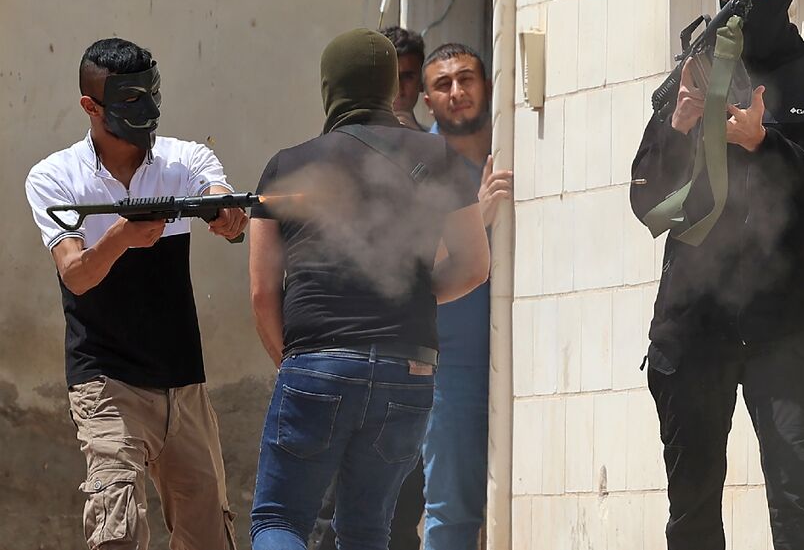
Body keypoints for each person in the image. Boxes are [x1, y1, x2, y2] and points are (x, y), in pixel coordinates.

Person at [629, 0, 804, 550]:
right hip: (693, 327)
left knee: (799, 522)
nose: (738, 2)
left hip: (787, 330)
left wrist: (768, 143)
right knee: (693, 522)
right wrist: (679, 128)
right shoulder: (697, 72)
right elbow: (645, 199)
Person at [247, 28, 490, 550]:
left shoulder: (286, 167)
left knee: (278, 521)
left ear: (329, 87)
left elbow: (263, 293)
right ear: (387, 87)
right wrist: (416, 298)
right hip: (411, 369)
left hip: (316, 363)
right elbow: (473, 266)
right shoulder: (440, 157)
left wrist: (295, 364)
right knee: (366, 531)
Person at [24, 38, 247, 550]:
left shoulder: (184, 158)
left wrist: (225, 213)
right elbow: (76, 276)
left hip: (183, 382)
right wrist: (123, 236)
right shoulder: (55, 177)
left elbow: (221, 202)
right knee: (116, 531)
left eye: (151, 92)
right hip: (106, 382)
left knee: (210, 535)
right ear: (91, 106)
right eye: (128, 98)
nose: (145, 109)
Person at [312, 25, 431, 550]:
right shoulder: (329, 157)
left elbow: (450, 263)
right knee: (326, 514)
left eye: (409, 79)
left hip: (405, 364)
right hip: (337, 359)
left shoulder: (430, 158)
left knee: (397, 511)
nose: (401, 92)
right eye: (393, 81)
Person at [419, 43, 512, 550]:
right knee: (453, 510)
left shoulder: (517, 146)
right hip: (450, 367)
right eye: (442, 84)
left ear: (487, 85)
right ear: (426, 101)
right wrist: (475, 218)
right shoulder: (419, 165)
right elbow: (414, 266)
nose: (457, 92)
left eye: (466, 79)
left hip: (521, 358)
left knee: (519, 497)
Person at [382, 26, 427, 132]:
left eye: (407, 77)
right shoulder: (349, 142)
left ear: (421, 82)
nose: (398, 90)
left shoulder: (438, 145)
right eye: (388, 77)